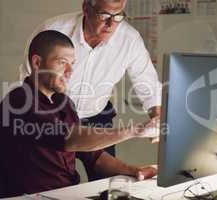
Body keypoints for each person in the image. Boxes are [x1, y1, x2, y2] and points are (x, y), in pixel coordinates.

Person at [0, 30, 157, 198]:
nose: (70, 71)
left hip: (66, 193)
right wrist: (135, 130)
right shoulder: (19, 102)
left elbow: (93, 157)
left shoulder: (63, 102)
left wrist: (134, 170)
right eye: (62, 62)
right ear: (37, 63)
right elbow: (69, 139)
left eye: (72, 63)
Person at [21, 0, 162, 160]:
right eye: (104, 15)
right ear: (86, 9)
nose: (111, 24)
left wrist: (158, 122)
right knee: (51, 176)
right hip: (53, 115)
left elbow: (149, 86)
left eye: (118, 16)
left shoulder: (129, 39)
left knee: (106, 177)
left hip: (96, 115)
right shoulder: (53, 30)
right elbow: (28, 78)